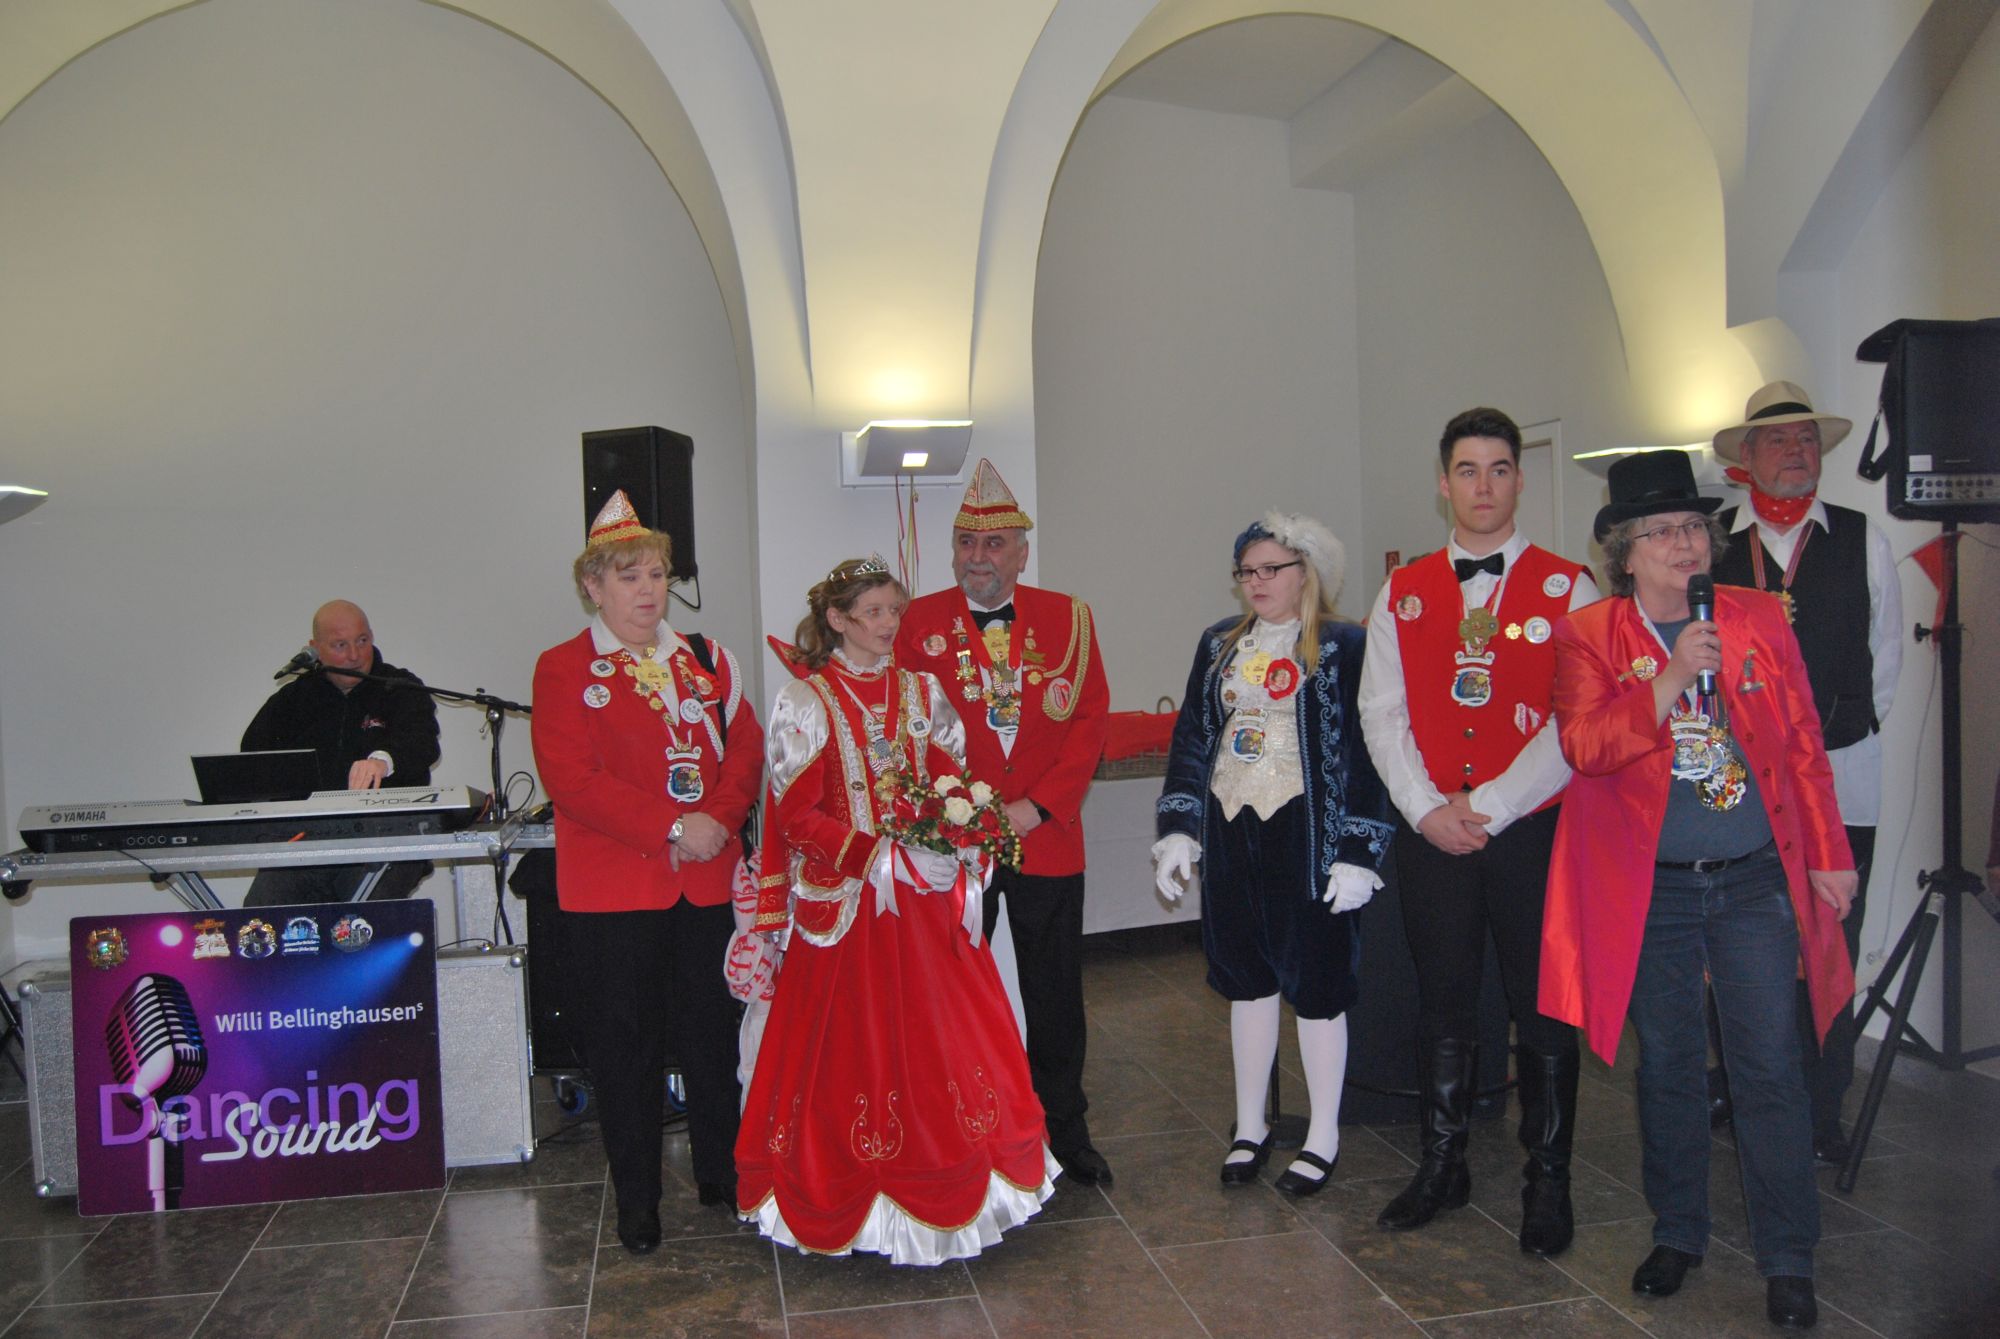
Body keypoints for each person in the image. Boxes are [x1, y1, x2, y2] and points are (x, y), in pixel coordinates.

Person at [1538, 451, 1855, 1330]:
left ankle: (1788, 1255)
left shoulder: (1757, 617)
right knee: (1670, 1068)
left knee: (1769, 1068)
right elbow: (1586, 746)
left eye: (1692, 528)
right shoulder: (1589, 635)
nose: (1684, 545)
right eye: (1661, 532)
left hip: (1753, 879)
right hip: (1655, 894)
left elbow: (1802, 742)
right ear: (1624, 553)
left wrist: (1829, 854)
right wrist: (1672, 676)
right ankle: (1679, 1231)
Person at [737, 556, 1055, 1264]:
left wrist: (960, 837)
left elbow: (949, 779)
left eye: (893, 610)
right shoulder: (806, 699)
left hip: (922, 905)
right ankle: (852, 1193)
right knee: (856, 1048)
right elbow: (798, 817)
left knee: (939, 1041)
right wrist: (878, 856)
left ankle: (956, 1177)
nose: (888, 624)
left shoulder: (921, 690)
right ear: (838, 619)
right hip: (849, 909)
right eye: (873, 612)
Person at [1356, 407, 1600, 1255]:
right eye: (1468, 469)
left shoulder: (1572, 589)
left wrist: (1488, 805)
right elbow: (1381, 712)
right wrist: (1426, 809)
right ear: (1443, 482)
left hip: (1531, 831)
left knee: (1543, 1007)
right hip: (1433, 831)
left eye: (1499, 469)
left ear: (1520, 480)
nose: (1484, 485)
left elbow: (1575, 722)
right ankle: (1443, 1164)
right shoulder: (1403, 590)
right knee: (1445, 1000)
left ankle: (1548, 1180)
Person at [530, 491, 762, 1256]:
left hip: (706, 882)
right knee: (623, 1049)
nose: (647, 590)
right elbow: (572, 779)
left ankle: (723, 1174)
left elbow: (746, 750)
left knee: (712, 1037)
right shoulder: (563, 668)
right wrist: (673, 824)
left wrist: (717, 819)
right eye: (628, 576)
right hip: (615, 893)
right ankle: (638, 1200)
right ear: (592, 586)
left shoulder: (707, 659)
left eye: (657, 574)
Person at [1153, 513, 1393, 1195]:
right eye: (1247, 572)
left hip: (1307, 833)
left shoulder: (1345, 644)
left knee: (1317, 986)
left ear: (1305, 571)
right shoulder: (1220, 643)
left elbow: (1367, 750)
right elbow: (1194, 736)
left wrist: (1358, 850)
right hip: (1232, 827)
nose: (1256, 582)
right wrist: (1180, 827)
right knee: (1246, 981)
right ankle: (1250, 1125)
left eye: (1271, 570)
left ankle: (1323, 1134)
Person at [895, 459, 1113, 1186]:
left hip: (1047, 837)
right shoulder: (916, 623)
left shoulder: (1070, 618)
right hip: (957, 843)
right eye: (965, 543)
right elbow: (908, 730)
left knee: (1055, 994)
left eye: (993, 545)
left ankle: (1065, 1129)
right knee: (952, 991)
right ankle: (959, 1126)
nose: (977, 558)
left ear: (1022, 551)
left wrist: (1038, 805)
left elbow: (1087, 724)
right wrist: (956, 810)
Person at [1708, 380, 1901, 1164]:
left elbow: (1884, 661)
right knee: (1741, 944)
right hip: (1738, 788)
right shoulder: (1714, 542)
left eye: (1807, 439)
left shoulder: (1861, 537)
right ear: (1748, 455)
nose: (1796, 452)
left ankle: (1822, 1111)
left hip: (1842, 782)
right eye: (1780, 439)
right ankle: (1746, 1093)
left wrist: (1822, 744)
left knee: (1830, 948)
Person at [241, 599, 441, 906]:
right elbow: (252, 758)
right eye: (340, 645)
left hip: (387, 838)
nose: (354, 655)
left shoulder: (400, 687)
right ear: (315, 648)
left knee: (363, 917)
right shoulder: (293, 698)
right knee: (260, 913)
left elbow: (422, 743)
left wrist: (382, 761)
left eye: (362, 641)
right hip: (308, 840)